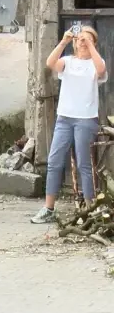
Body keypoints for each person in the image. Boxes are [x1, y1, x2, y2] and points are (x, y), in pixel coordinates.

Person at [31, 26, 107, 224]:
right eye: (80, 38)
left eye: (87, 39)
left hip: (86, 119)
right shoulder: (68, 62)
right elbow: (50, 63)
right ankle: (49, 208)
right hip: (64, 118)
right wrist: (64, 41)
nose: (82, 41)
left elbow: (101, 71)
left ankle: (90, 208)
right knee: (54, 161)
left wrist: (90, 45)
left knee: (84, 164)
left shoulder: (95, 63)